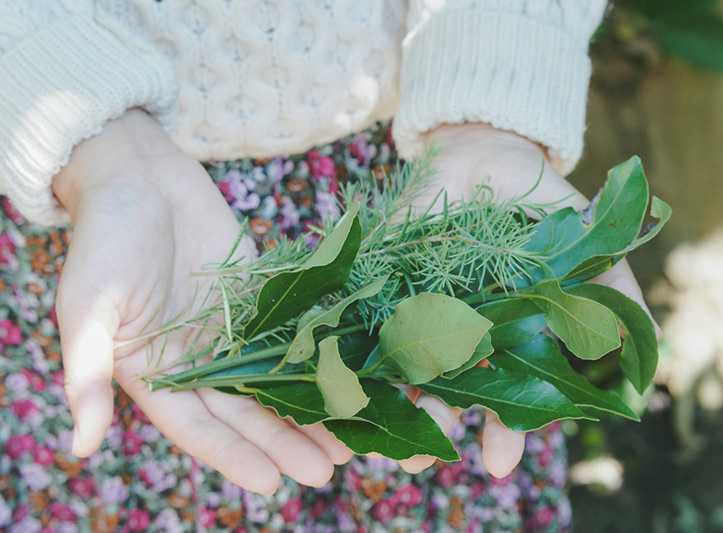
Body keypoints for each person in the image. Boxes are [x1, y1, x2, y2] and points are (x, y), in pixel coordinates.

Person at [0, 1, 651, 530]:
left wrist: (491, 89)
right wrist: (80, 122)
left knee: (418, 424)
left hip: (407, 182)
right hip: (109, 201)